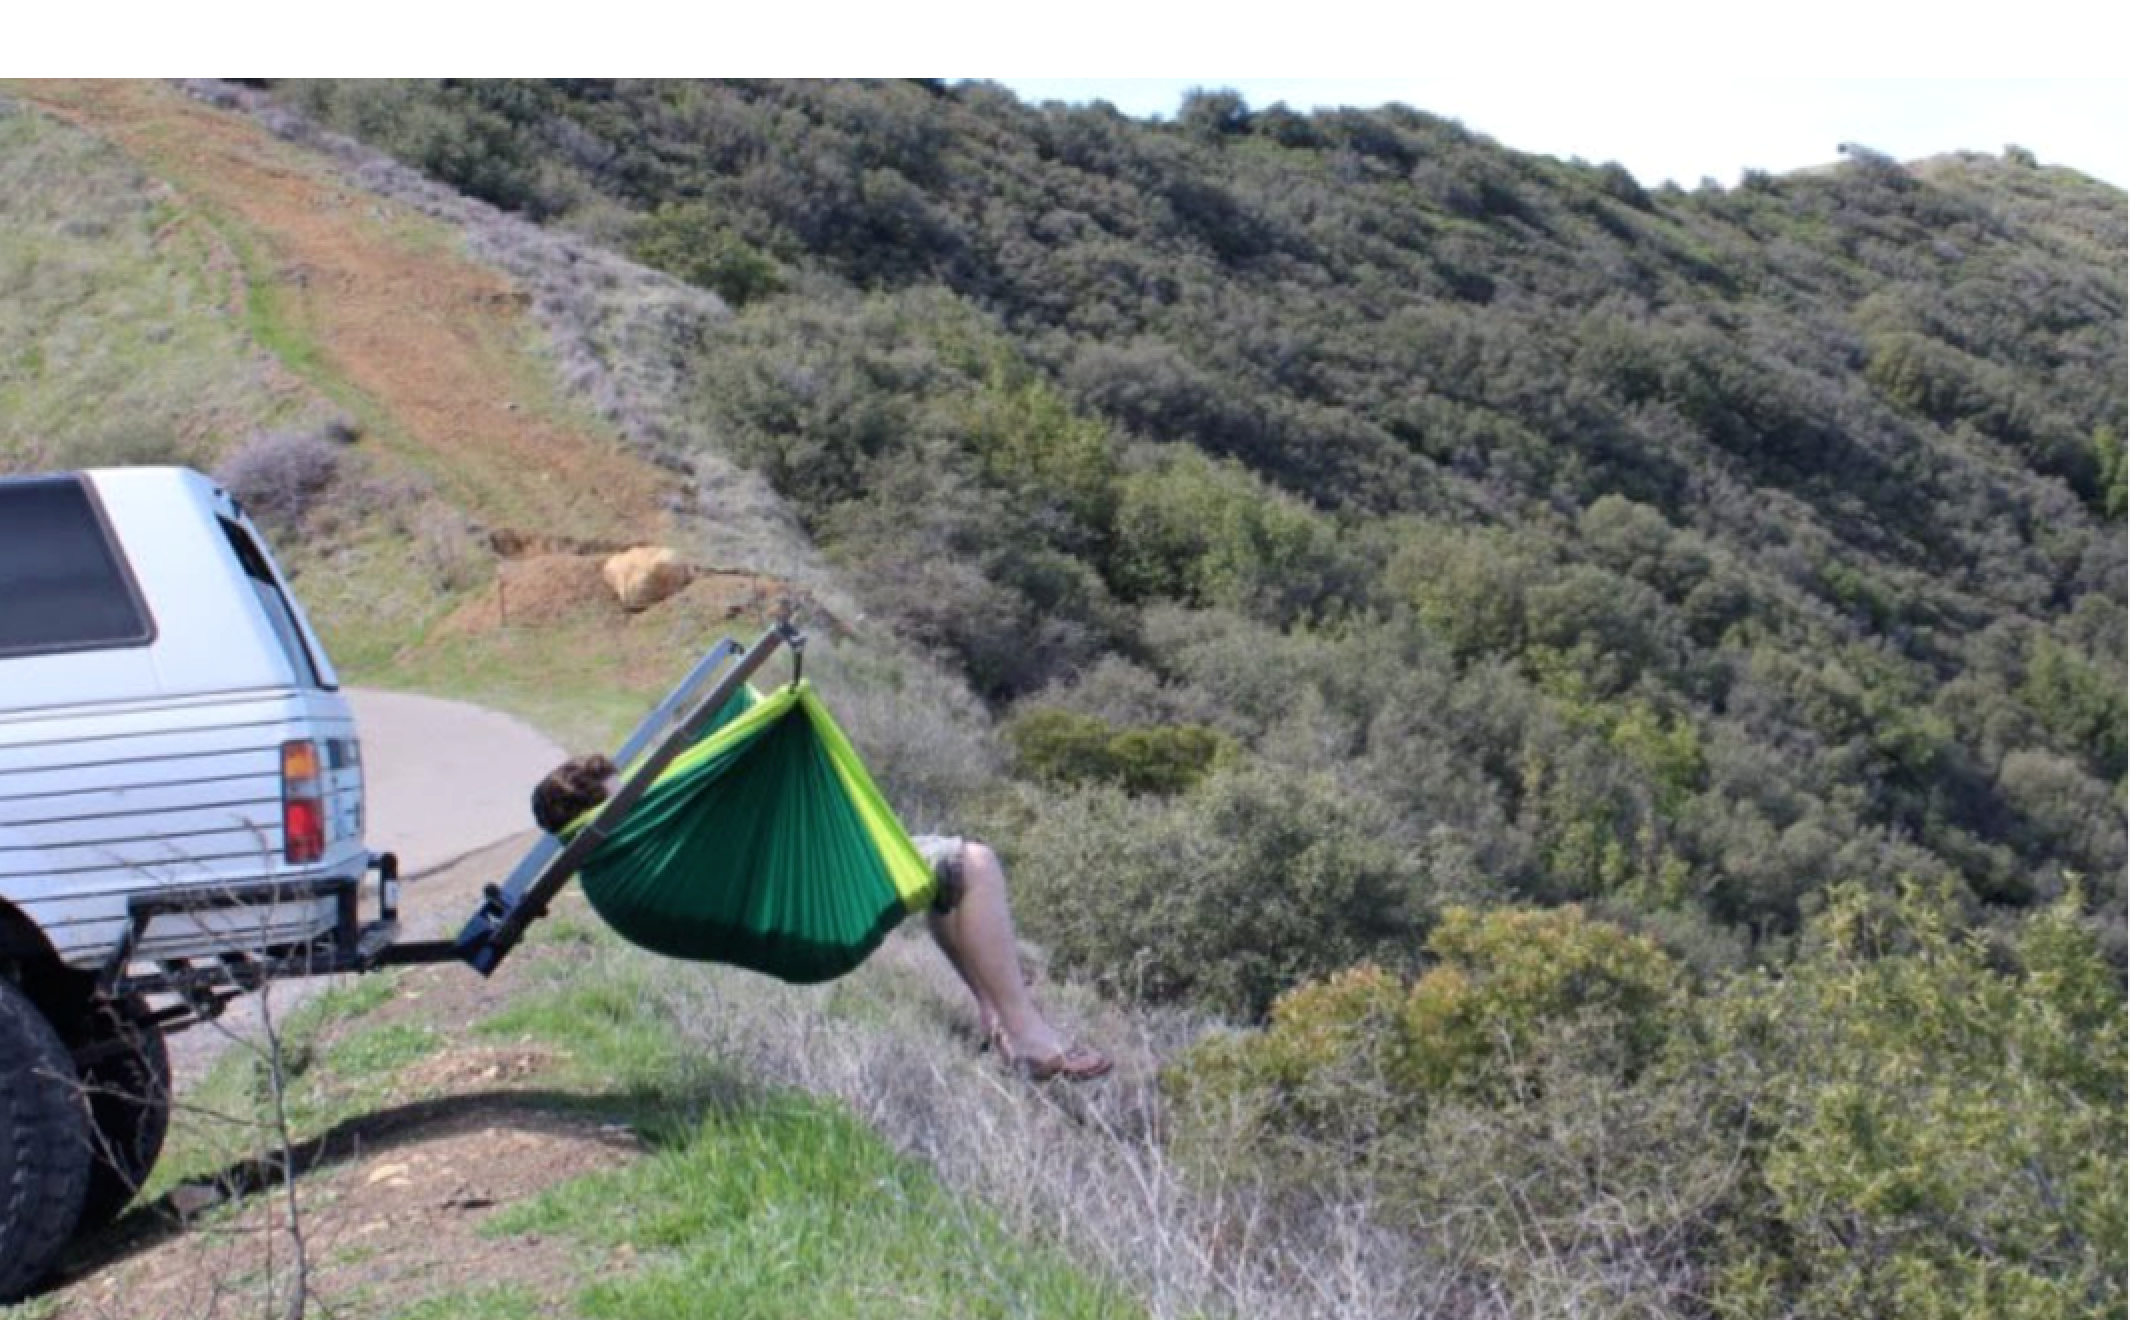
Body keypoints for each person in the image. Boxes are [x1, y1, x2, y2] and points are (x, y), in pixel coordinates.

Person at [532, 754, 1112, 1083]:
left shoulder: (613, 867)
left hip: (792, 905)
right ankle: (1029, 1032)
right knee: (973, 863)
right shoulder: (642, 851)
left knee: (946, 880)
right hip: (814, 918)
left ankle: (1000, 1019)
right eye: (627, 791)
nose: (641, 793)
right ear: (605, 810)